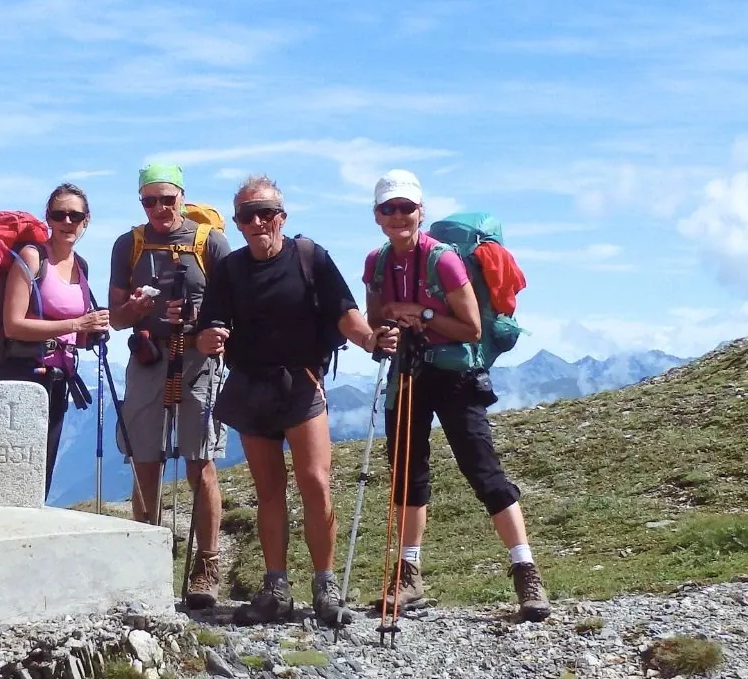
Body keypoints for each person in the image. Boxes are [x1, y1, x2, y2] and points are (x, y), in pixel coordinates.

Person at [363, 169, 551, 622]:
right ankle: (409, 574)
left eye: (406, 207)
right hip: (408, 372)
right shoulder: (376, 263)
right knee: (408, 473)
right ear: (377, 215)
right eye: (389, 208)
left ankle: (526, 571)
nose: (398, 216)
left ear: (420, 212)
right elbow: (376, 323)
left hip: (455, 375)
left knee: (483, 470)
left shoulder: (443, 261)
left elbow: (471, 328)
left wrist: (419, 312)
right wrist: (386, 332)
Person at [196, 177, 385, 625]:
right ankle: (276, 587)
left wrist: (370, 340)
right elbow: (207, 330)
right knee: (269, 491)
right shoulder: (229, 270)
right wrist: (208, 338)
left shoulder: (310, 257)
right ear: (238, 222)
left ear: (282, 215)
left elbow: (345, 312)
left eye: (266, 212)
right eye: (247, 214)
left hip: (301, 385)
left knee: (316, 483)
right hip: (250, 386)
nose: (258, 221)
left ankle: (324, 584)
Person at [108, 163, 231, 608]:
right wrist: (138, 310)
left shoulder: (210, 243)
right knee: (146, 460)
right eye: (149, 200)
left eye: (167, 199)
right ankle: (147, 557)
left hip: (197, 358)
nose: (159, 208)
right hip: (148, 354)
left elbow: (231, 309)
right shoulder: (130, 245)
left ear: (183, 197)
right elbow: (115, 315)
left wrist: (200, 325)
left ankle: (207, 565)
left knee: (201, 460)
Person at [0, 183, 113, 497]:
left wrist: (90, 332)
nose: (67, 221)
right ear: (47, 218)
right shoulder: (33, 257)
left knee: (41, 473)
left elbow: (72, 332)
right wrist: (78, 322)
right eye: (59, 214)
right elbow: (13, 325)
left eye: (75, 215)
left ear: (86, 220)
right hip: (25, 374)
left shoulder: (82, 266)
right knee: (17, 475)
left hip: (60, 378)